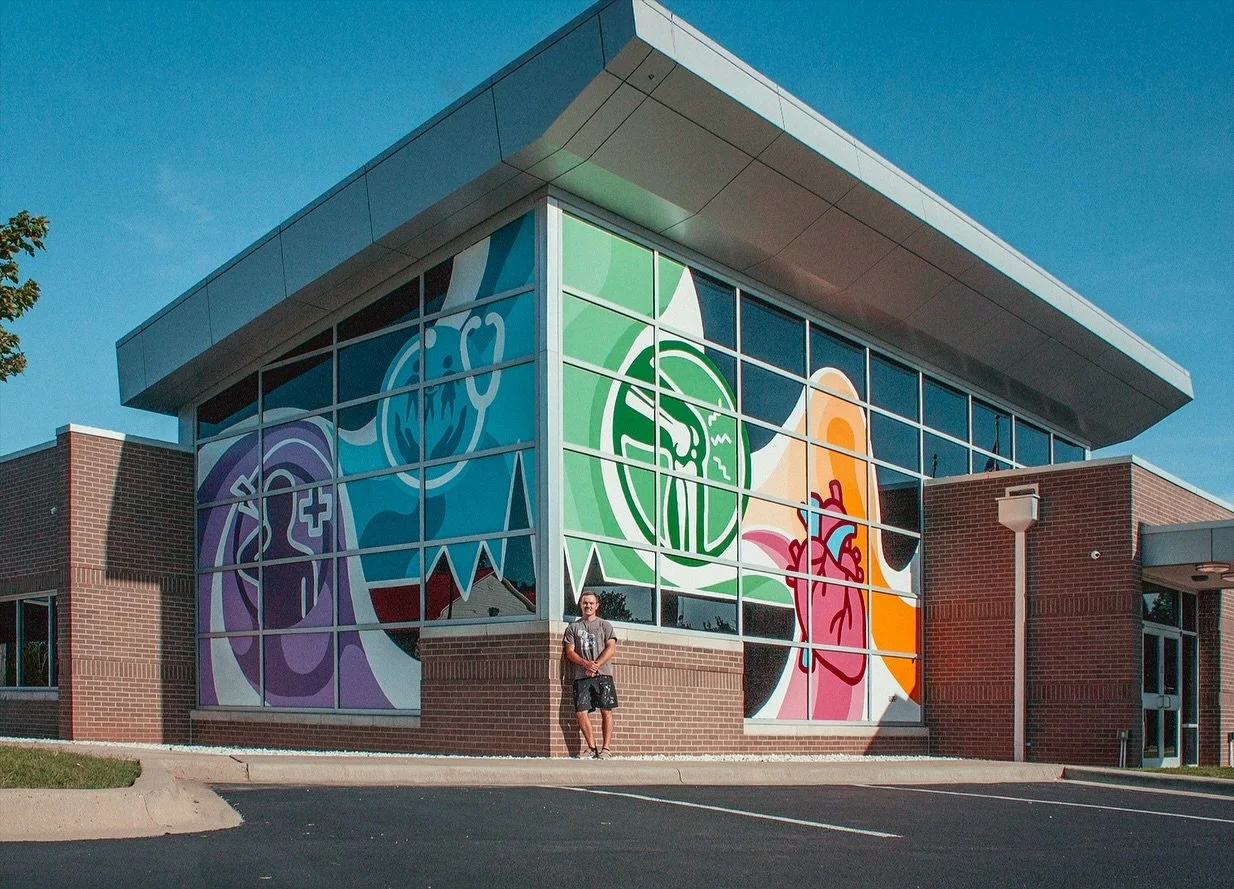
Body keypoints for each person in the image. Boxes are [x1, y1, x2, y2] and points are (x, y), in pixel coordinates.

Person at [563, 591, 618, 759]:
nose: (588, 606)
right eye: (585, 603)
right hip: (582, 676)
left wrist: (596, 665)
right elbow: (570, 652)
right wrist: (585, 664)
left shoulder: (605, 626)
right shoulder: (573, 628)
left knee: (606, 710)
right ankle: (591, 748)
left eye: (591, 603)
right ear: (580, 605)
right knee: (581, 712)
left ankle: (606, 749)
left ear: (597, 605)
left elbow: (611, 647)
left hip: (603, 675)